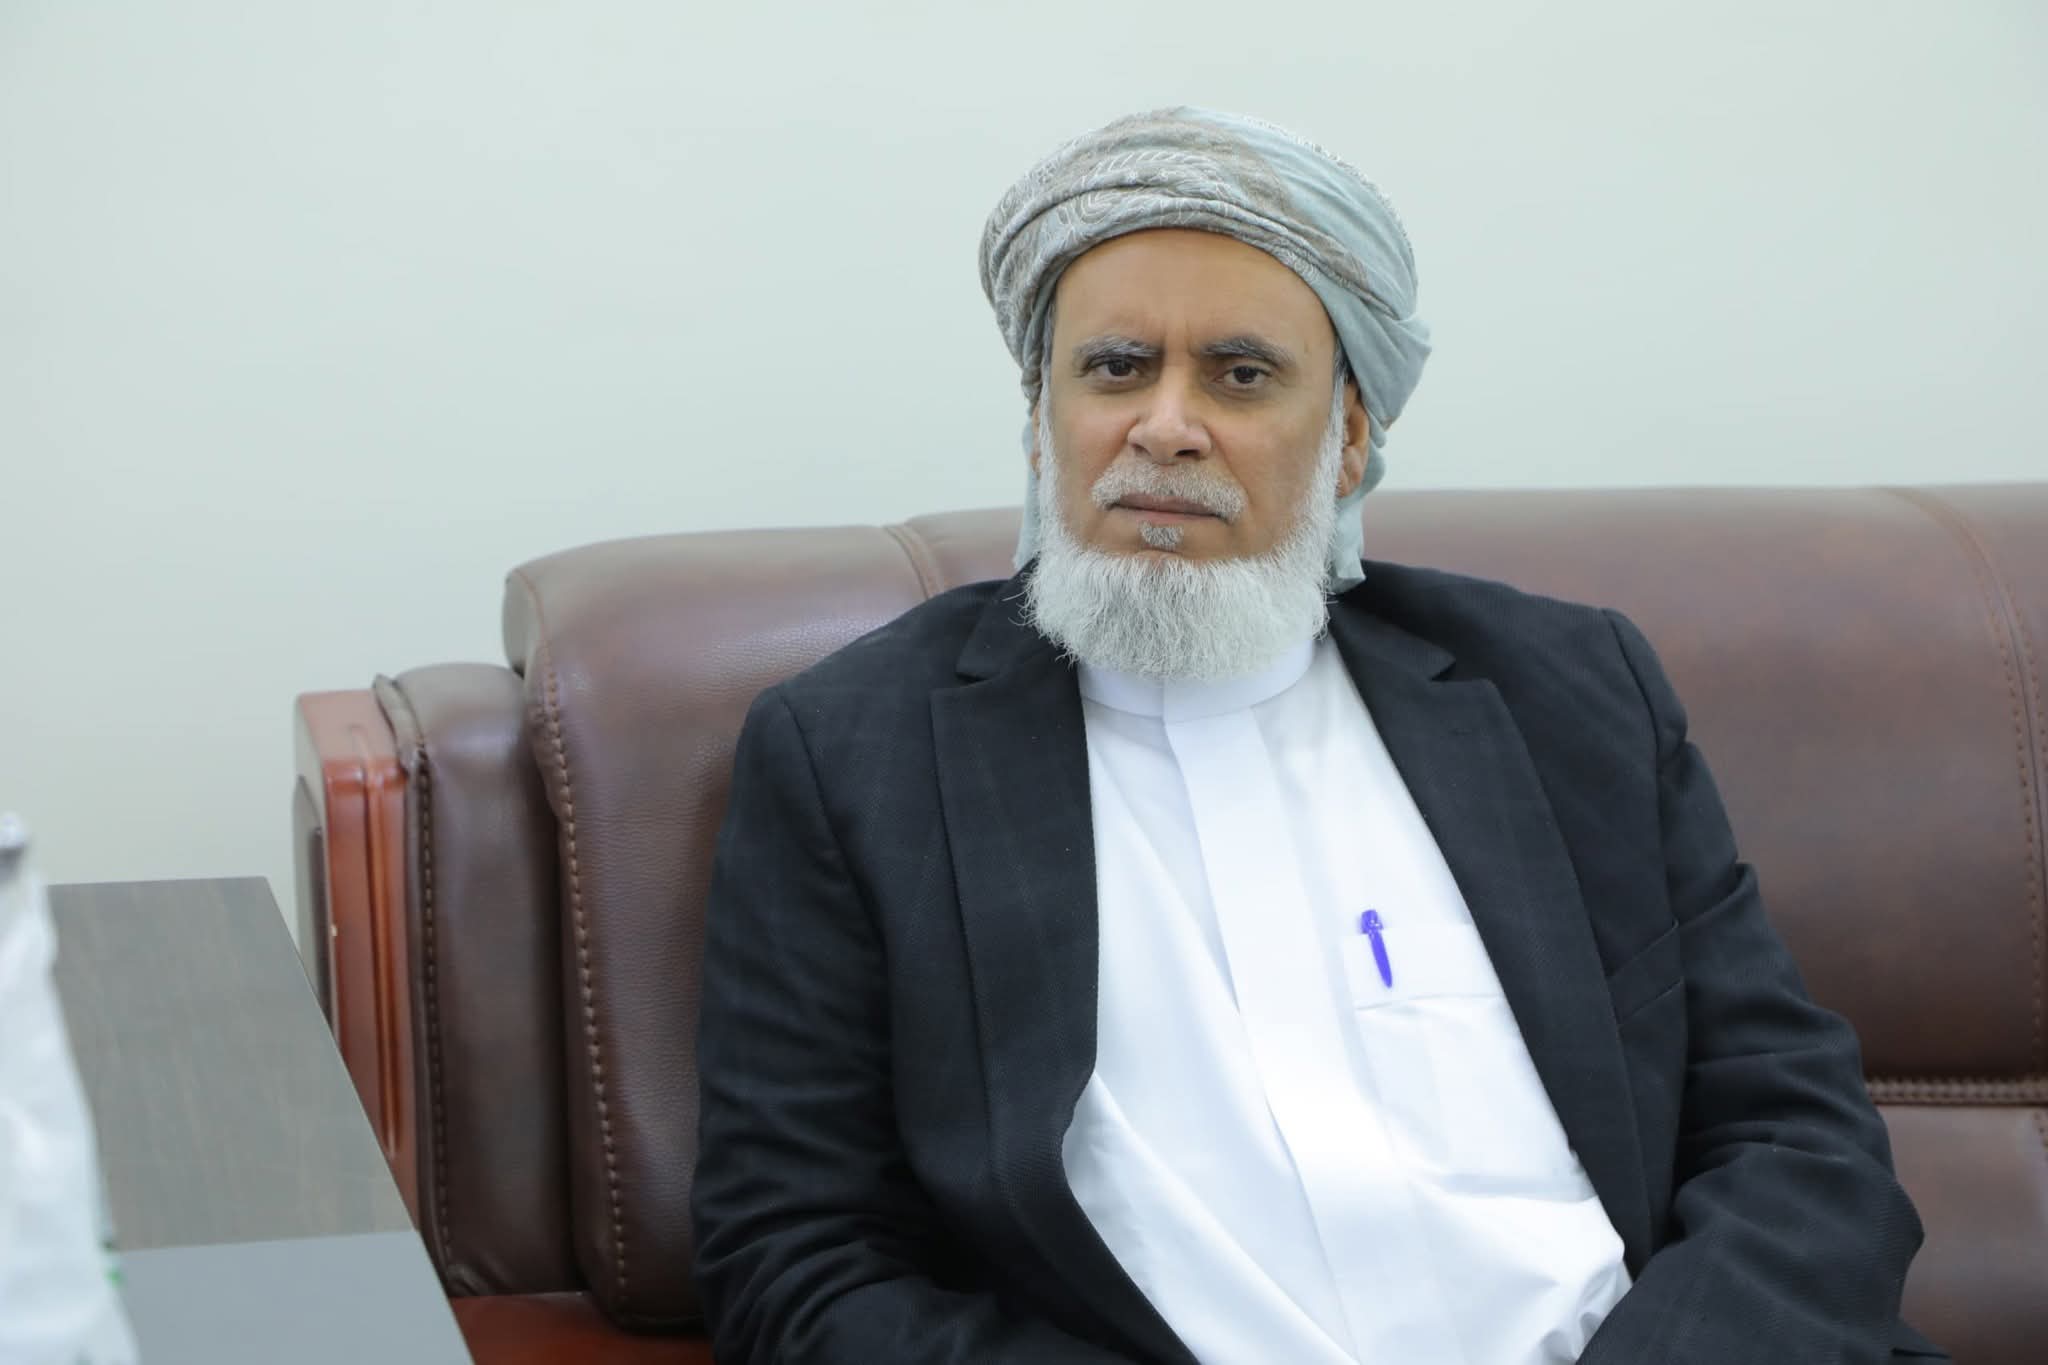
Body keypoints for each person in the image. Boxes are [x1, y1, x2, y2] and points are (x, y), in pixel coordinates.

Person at [689, 107, 1944, 1364]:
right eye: (1115, 368)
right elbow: (796, 1261)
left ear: (1347, 437)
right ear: (1037, 423)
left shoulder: (1567, 695)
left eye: (1239, 374)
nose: (1164, 425)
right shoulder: (855, 760)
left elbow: (1793, 1139)